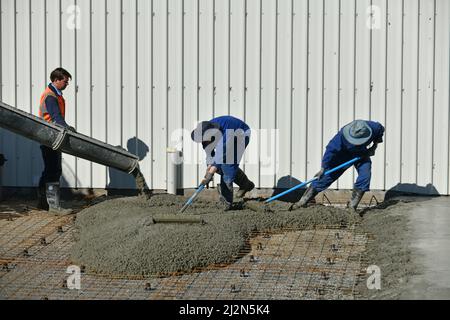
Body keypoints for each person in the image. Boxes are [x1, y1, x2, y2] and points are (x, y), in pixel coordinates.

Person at [290, 119, 385, 212]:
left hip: (361, 154)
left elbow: (380, 131)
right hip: (343, 155)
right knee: (326, 177)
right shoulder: (340, 137)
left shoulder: (374, 127)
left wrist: (374, 146)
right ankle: (303, 201)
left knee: (365, 176)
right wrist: (323, 168)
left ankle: (352, 206)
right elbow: (330, 151)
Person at [191, 116, 255, 211]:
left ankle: (226, 202)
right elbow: (209, 153)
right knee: (218, 167)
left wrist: (211, 171)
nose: (203, 142)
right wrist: (208, 170)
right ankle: (245, 184)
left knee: (228, 165)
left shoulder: (225, 135)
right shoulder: (205, 130)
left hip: (241, 134)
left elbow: (220, 156)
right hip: (227, 135)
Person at [37, 68, 75, 214]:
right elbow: (56, 117)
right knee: (53, 171)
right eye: (65, 81)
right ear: (57, 80)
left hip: (47, 136)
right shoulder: (51, 96)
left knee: (48, 170)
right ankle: (53, 206)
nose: (67, 84)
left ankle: (43, 203)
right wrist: (67, 129)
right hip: (50, 137)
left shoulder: (53, 94)